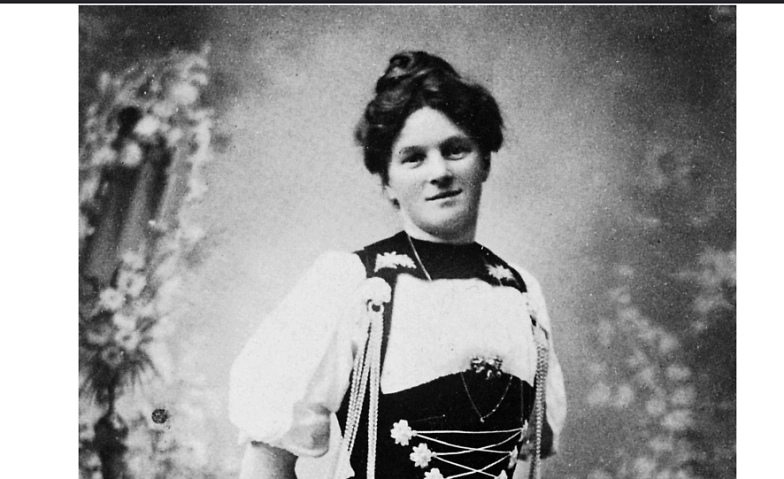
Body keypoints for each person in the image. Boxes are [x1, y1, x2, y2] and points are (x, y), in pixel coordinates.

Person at [229, 51, 567, 479]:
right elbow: (265, 463)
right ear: (387, 181)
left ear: (484, 161)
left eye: (455, 150)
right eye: (414, 157)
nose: (439, 172)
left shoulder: (520, 292)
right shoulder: (355, 283)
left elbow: (531, 454)